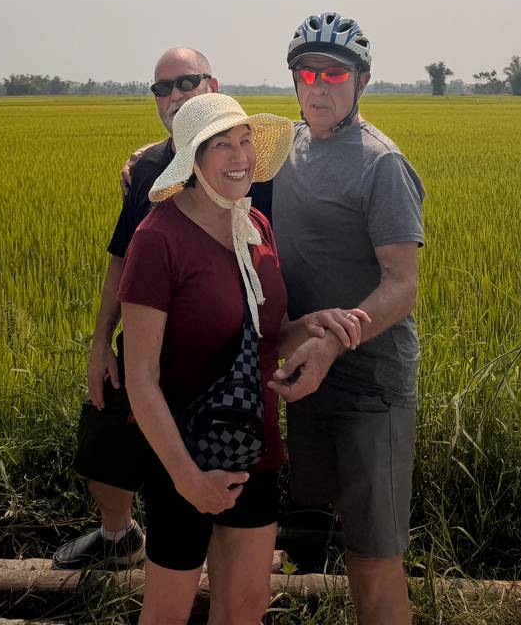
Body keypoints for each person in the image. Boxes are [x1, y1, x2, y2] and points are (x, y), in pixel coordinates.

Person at [118, 93, 365, 625]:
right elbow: (140, 377)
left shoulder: (253, 225)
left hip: (253, 444)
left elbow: (264, 335)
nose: (241, 155)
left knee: (247, 604)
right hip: (181, 451)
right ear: (194, 160)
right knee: (168, 610)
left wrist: (311, 325)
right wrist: (187, 477)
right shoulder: (157, 239)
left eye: (246, 141)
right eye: (222, 145)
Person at [268, 12, 424, 625]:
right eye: (307, 71)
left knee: (372, 553)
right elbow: (207, 151)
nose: (318, 84)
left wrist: (337, 339)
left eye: (335, 72)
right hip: (308, 373)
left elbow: (400, 286)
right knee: (314, 530)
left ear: (362, 81)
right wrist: (148, 157)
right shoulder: (286, 147)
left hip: (369, 384)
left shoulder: (380, 163)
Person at [53, 47, 222, 570]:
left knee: (216, 453)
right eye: (162, 88)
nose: (174, 96)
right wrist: (101, 341)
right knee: (101, 436)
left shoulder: (245, 160)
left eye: (186, 82)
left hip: (219, 347)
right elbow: (120, 258)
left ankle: (227, 552)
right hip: (145, 338)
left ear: (211, 86)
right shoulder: (148, 166)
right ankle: (118, 535)